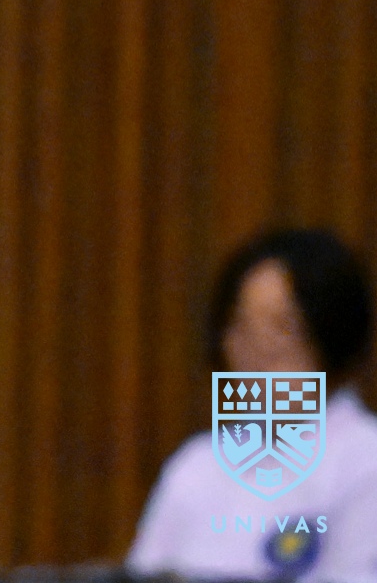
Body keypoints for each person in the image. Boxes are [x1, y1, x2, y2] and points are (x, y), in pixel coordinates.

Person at [129, 230, 377, 581]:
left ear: (331, 332)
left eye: (282, 328)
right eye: (243, 328)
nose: (259, 353)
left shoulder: (366, 461)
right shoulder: (195, 466)